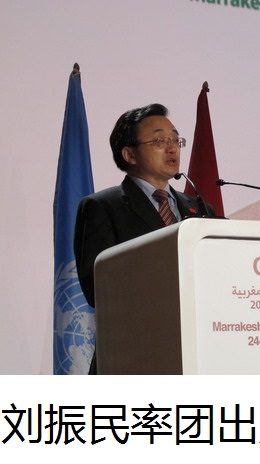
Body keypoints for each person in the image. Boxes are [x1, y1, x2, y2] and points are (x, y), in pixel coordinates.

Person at [74, 103, 213, 373]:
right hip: (132, 355)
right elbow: (96, 288)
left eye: (175, 140)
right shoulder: (102, 207)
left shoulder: (200, 209)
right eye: (160, 141)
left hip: (196, 354)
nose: (172, 148)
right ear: (129, 154)